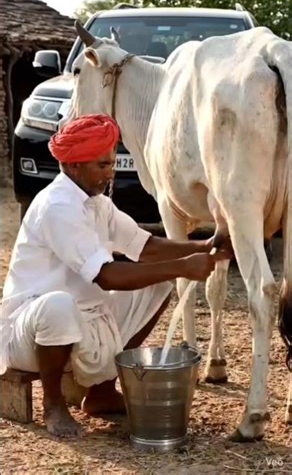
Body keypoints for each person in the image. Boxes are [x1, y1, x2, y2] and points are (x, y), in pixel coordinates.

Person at [0, 114, 232, 438]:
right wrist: (184, 267)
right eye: (102, 165)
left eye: (111, 164)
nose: (110, 173)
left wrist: (206, 245)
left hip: (85, 321)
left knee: (156, 287)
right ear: (74, 166)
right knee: (58, 307)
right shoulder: (58, 206)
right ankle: (53, 404)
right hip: (28, 333)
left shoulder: (98, 203)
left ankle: (101, 391)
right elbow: (107, 277)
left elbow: (146, 247)